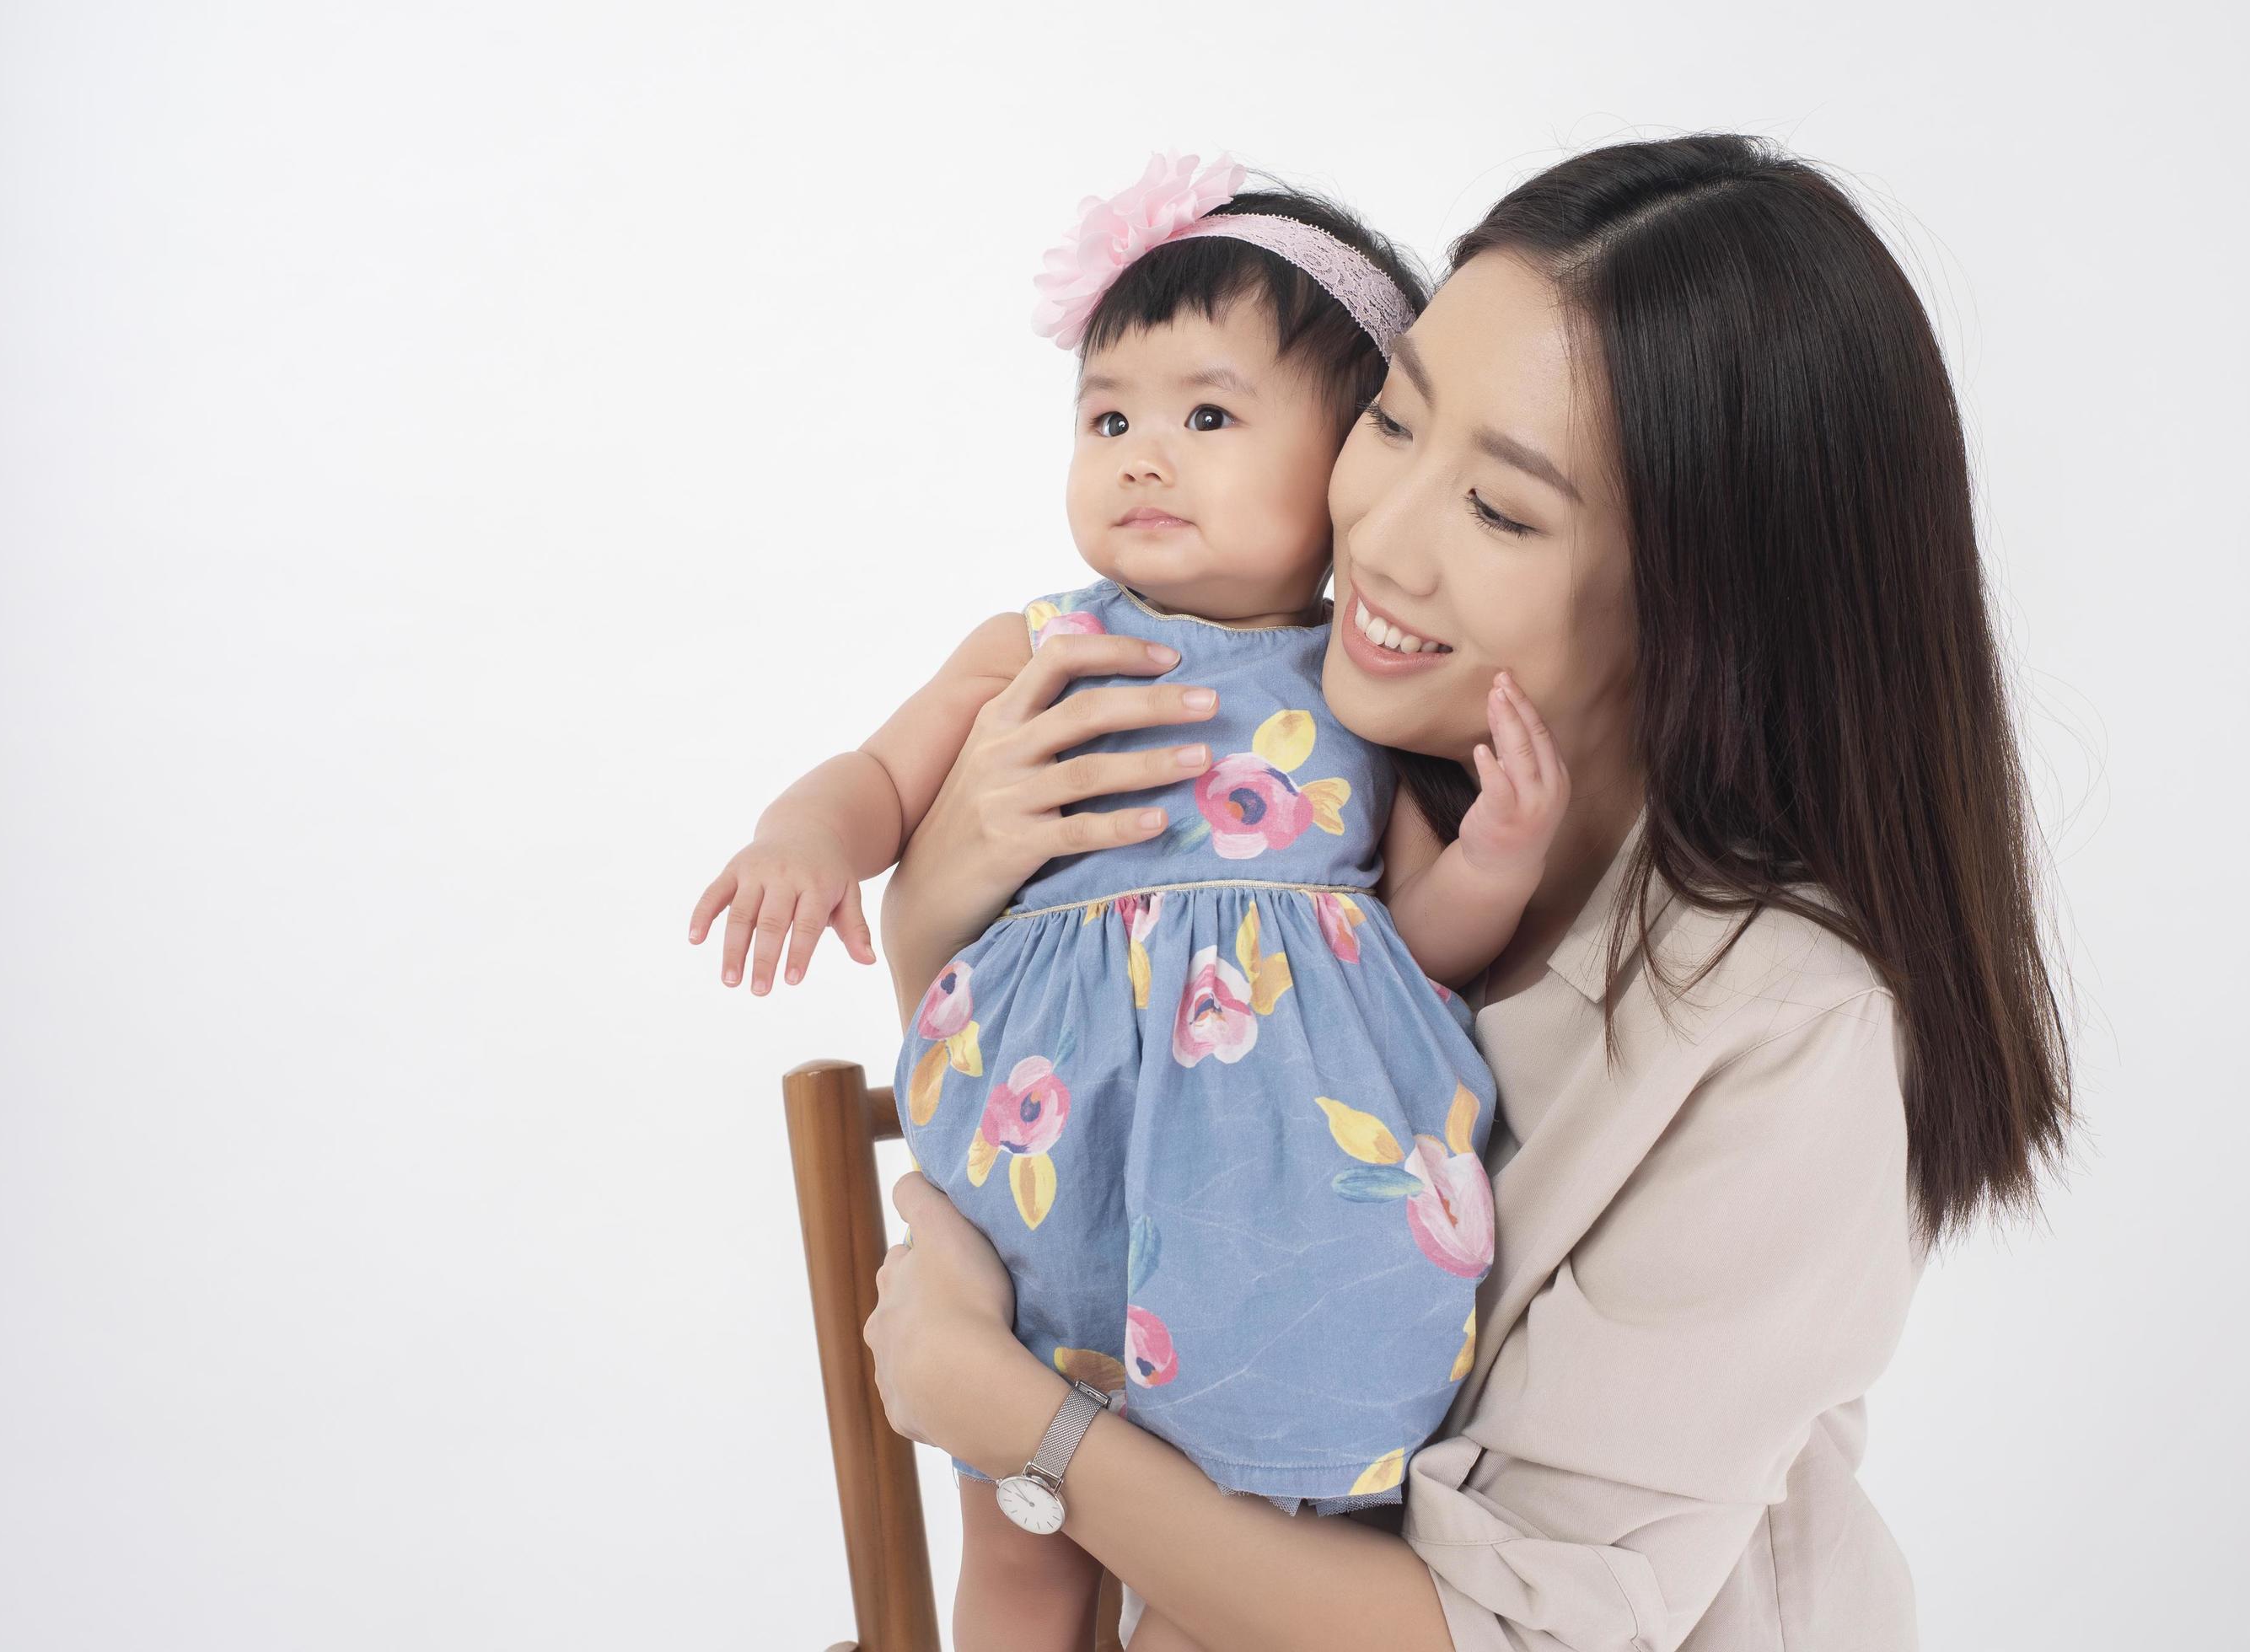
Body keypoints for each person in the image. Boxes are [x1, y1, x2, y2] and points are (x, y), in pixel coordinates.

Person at [860, 134, 2073, 1650]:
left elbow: (1507, 1633)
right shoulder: (1308, 794)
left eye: (1501, 510)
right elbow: (1069, 1113)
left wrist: (1027, 1428)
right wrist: (936, 901)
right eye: (1391, 419)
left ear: (1702, 604)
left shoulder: (1782, 1034)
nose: (1381, 532)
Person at [692, 153, 1577, 1652]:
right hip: (1045, 1167)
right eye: (1110, 416)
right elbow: (877, 778)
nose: (1142, 455)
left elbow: (1411, 951)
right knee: (1026, 1548)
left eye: (1209, 416)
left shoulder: (1356, 698)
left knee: (1214, 1556)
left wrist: (1496, 853)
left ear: (1354, 463)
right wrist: (805, 834)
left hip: (1265, 1211)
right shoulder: (1031, 645)